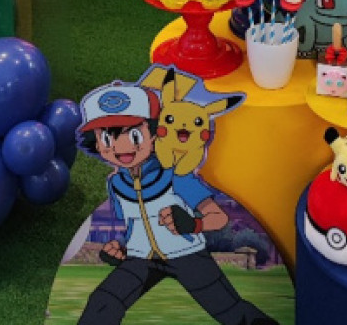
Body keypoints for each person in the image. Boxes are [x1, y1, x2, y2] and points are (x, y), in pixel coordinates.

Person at [76, 81, 277, 325]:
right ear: (97, 144)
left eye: (135, 135)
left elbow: (219, 218)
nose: (122, 146)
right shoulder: (117, 185)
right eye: (108, 138)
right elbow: (134, 229)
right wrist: (120, 249)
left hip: (186, 255)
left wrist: (192, 224)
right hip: (142, 260)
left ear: (155, 133)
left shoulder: (175, 176)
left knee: (231, 311)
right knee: (102, 302)